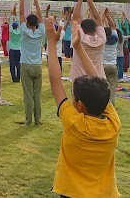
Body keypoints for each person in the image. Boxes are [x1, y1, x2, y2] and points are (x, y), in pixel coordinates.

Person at [46, 16, 121, 198]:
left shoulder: (74, 123)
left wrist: (51, 41)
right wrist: (78, 47)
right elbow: (99, 82)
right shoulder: (113, 123)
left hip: (72, 193)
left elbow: (55, 80)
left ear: (79, 105)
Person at [16, 0, 44, 126]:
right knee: (37, 95)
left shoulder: (24, 30)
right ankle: (38, 120)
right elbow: (40, 17)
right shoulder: (41, 31)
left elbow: (21, 13)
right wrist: (35, 1)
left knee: (28, 95)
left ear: (27, 23)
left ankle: (28, 120)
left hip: (26, 65)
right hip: (37, 65)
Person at [68, 0, 105, 82]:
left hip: (80, 80)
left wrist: (80, 1)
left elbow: (75, 18)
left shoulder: (80, 39)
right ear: (95, 29)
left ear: (83, 29)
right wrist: (90, 2)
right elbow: (98, 20)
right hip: (98, 79)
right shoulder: (102, 39)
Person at [102, 9, 121, 105]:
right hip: (113, 65)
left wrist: (102, 15)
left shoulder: (101, 40)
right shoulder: (115, 39)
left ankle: (104, 105)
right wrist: (108, 16)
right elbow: (113, 26)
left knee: (102, 88)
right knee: (112, 89)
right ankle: (112, 105)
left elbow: (99, 26)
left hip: (103, 65)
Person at [7, 5, 22, 83]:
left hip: (12, 50)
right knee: (18, 64)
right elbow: (19, 24)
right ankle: (18, 78)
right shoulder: (20, 32)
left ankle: (14, 78)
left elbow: (10, 22)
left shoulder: (11, 32)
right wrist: (16, 16)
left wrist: (12, 15)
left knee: (12, 65)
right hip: (18, 49)